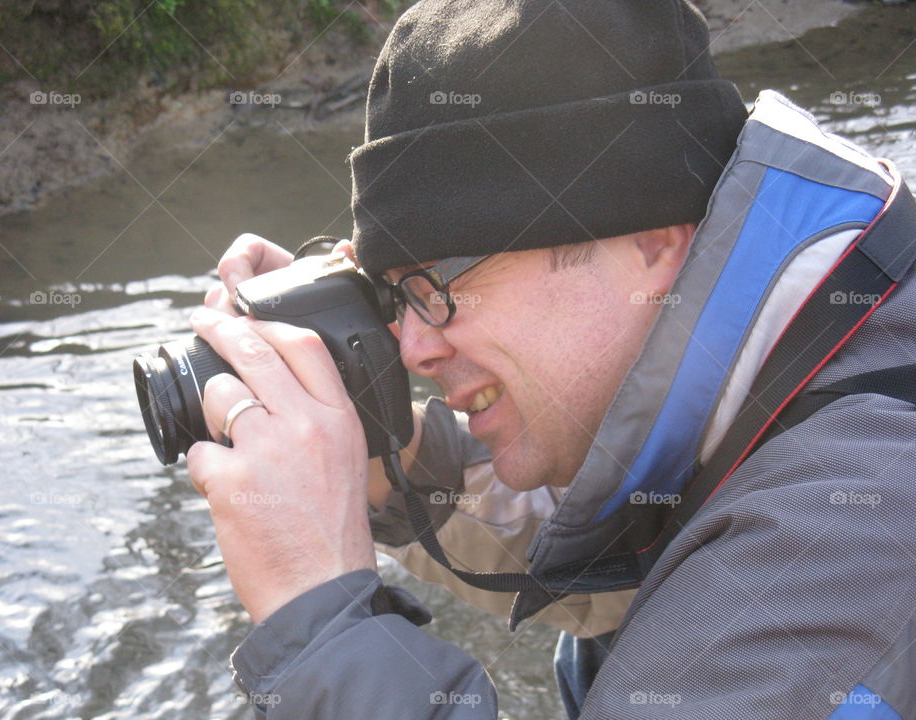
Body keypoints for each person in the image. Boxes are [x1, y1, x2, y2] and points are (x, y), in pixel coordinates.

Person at [186, 0, 916, 717]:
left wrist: (320, 628)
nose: (411, 347)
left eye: (437, 284)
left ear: (648, 242)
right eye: (388, 295)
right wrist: (385, 460)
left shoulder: (849, 528)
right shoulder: (806, 345)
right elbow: (609, 529)